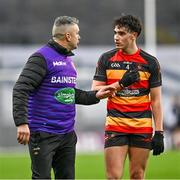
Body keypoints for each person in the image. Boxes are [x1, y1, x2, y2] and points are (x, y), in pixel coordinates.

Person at [13, 16, 117, 179]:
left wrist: (96, 95)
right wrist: (22, 122)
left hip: (67, 134)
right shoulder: (41, 58)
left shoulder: (68, 60)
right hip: (43, 133)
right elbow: (21, 88)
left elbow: (68, 94)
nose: (79, 37)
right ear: (68, 36)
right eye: (77, 33)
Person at [92, 14, 164, 179]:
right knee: (113, 177)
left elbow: (156, 100)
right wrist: (121, 83)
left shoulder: (150, 62)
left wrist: (159, 132)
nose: (116, 37)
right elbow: (95, 92)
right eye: (115, 33)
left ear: (134, 35)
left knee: (137, 175)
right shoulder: (106, 59)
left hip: (142, 126)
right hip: (116, 126)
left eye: (122, 33)